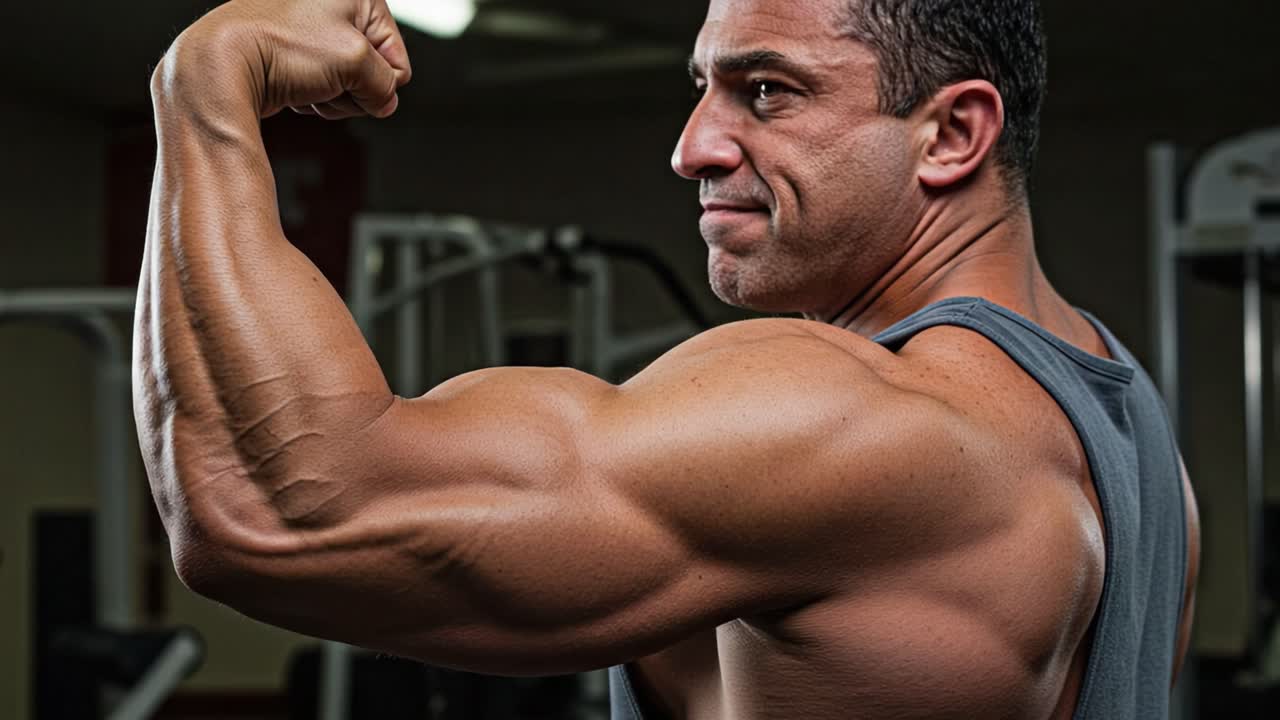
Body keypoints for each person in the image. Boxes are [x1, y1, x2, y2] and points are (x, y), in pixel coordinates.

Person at [134, 0, 1200, 717]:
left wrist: (204, 86)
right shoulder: (1121, 417)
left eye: (766, 92)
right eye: (703, 86)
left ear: (951, 135)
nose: (692, 146)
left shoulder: (852, 415)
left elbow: (281, 506)